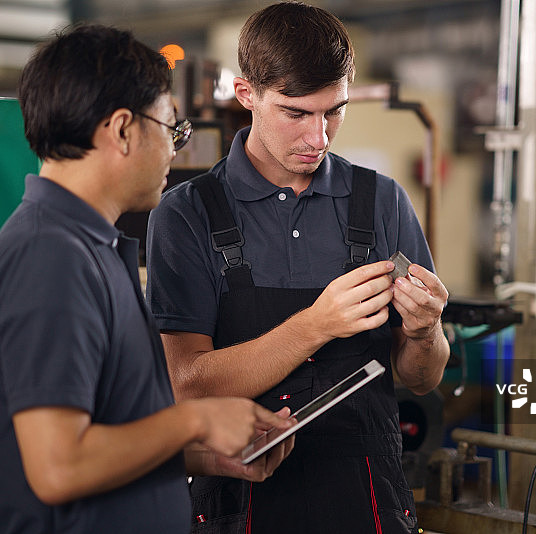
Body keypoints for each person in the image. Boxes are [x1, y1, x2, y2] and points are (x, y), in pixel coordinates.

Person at [0, 24, 293, 534]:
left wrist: (205, 457)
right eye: (169, 129)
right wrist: (198, 419)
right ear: (122, 130)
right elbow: (60, 467)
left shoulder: (85, 249)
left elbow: (108, 434)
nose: (174, 150)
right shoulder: (50, 257)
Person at [146, 2, 451, 533]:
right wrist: (318, 325)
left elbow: (420, 380)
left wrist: (426, 333)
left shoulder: (381, 202)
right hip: (242, 504)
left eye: (334, 110)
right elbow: (187, 386)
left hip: (367, 502)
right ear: (248, 96)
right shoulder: (187, 213)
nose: (320, 138)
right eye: (297, 113)